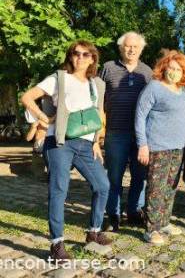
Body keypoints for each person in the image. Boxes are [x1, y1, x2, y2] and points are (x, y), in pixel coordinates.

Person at [21, 41, 111, 260]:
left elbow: (97, 115)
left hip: (85, 144)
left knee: (102, 185)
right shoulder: (58, 78)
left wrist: (96, 142)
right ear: (70, 57)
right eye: (75, 53)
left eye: (85, 54)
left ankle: (94, 231)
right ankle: (56, 244)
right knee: (59, 190)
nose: (79, 58)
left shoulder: (96, 84)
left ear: (92, 58)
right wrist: (44, 118)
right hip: (59, 142)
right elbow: (26, 97)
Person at [135, 50, 185, 245]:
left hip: (178, 146)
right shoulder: (154, 87)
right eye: (172, 68)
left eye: (179, 69)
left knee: (170, 186)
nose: (175, 72)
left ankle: (164, 221)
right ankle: (151, 229)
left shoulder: (181, 89)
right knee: (156, 188)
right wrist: (142, 144)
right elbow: (140, 115)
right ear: (164, 67)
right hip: (158, 146)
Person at [100, 32, 152, 231]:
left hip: (140, 135)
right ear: (121, 48)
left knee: (140, 175)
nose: (131, 50)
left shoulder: (147, 72)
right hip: (115, 131)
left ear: (141, 49)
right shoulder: (108, 68)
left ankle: (134, 211)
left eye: (135, 47)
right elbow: (98, 100)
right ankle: (113, 214)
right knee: (114, 175)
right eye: (128, 46)